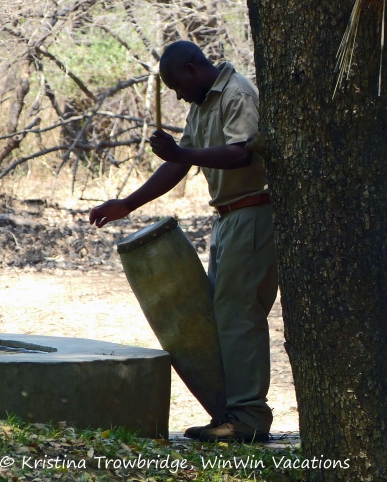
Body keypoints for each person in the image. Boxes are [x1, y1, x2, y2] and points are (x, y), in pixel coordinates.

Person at [89, 40, 278, 442]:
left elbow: (241, 154)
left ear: (193, 69)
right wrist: (128, 204)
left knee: (240, 315)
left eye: (177, 86)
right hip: (227, 217)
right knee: (224, 316)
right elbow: (180, 163)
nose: (177, 96)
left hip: (253, 213)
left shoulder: (237, 93)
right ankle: (233, 413)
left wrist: (182, 152)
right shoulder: (202, 104)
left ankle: (248, 417)